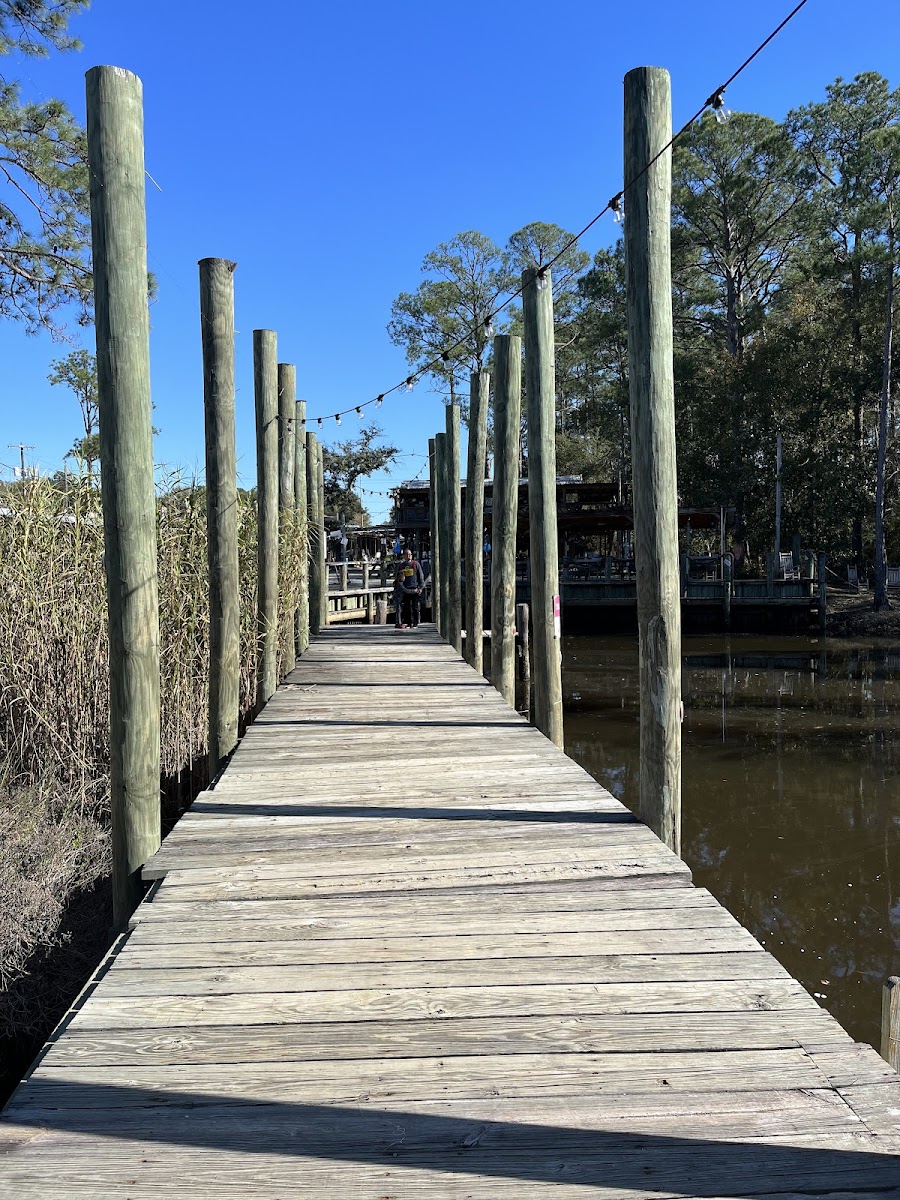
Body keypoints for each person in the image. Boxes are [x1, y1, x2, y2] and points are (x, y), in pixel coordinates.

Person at [397, 548, 425, 628]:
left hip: (414, 589)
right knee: (406, 607)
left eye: (410, 554)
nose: (409, 556)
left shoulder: (416, 564)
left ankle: (415, 623)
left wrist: (421, 587)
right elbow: (398, 577)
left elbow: (421, 576)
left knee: (415, 607)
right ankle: (408, 623)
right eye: (407, 554)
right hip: (405, 589)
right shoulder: (401, 566)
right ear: (404, 556)